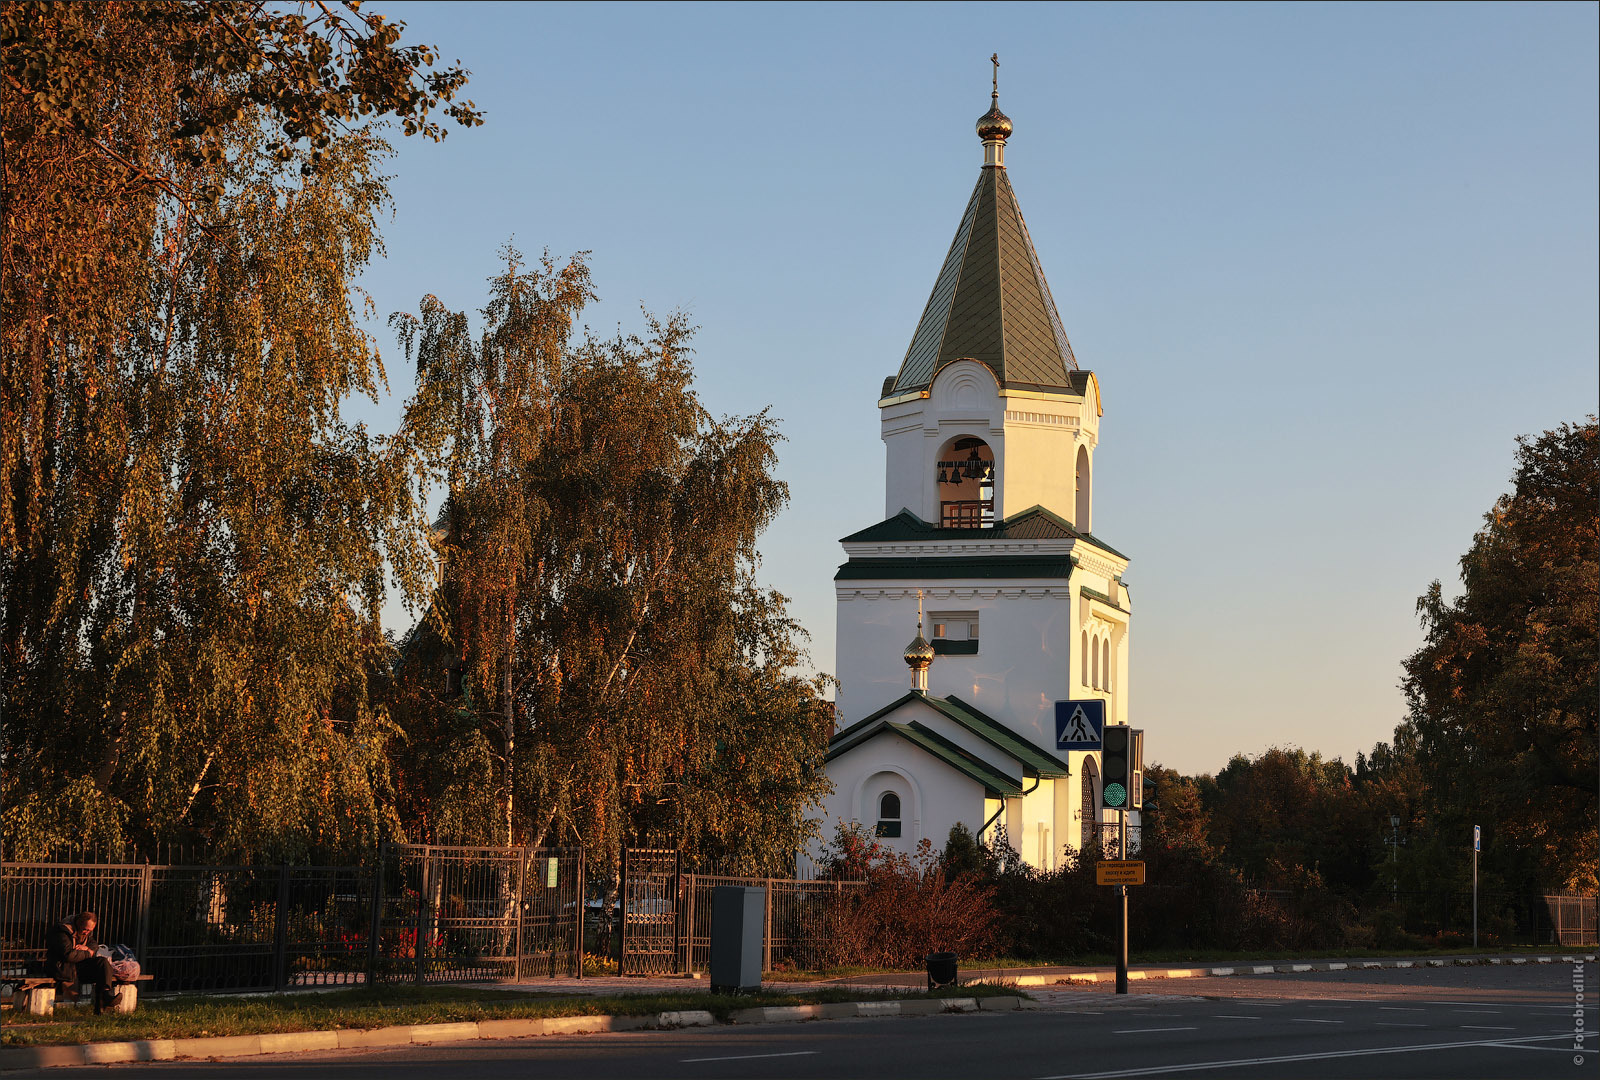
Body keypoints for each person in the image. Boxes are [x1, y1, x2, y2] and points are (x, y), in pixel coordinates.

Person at [45, 911, 119, 1012]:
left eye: (89, 931)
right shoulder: (62, 931)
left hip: (79, 966)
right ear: (79, 923)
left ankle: (106, 994)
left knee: (102, 963)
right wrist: (88, 953)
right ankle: (103, 1003)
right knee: (96, 966)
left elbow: (94, 946)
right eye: (85, 929)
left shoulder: (86, 932)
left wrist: (87, 949)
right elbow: (69, 955)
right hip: (63, 968)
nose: (86, 933)